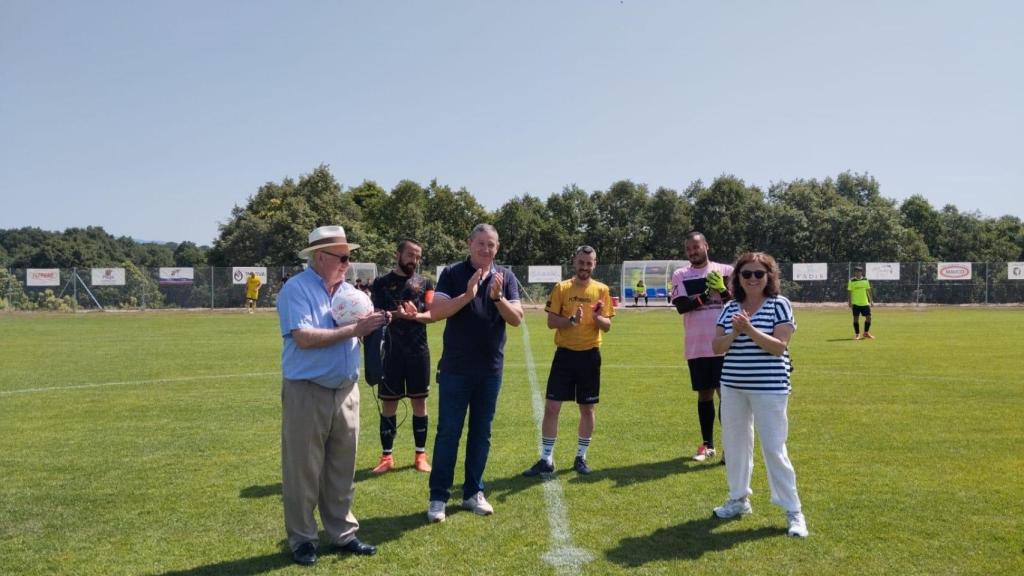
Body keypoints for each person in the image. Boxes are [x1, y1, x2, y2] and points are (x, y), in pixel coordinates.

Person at [276, 225, 388, 565]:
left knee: (342, 467)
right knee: (303, 469)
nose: (348, 263)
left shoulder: (350, 292)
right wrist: (356, 329)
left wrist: (374, 328)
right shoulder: (296, 290)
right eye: (343, 257)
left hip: (346, 391)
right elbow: (304, 338)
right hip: (307, 391)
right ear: (320, 257)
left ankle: (342, 533)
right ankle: (303, 539)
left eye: (349, 257)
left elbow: (358, 333)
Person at [402, 224, 523, 523]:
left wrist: (498, 298)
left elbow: (517, 319)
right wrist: (469, 294)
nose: (485, 249)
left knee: (482, 433)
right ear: (469, 244)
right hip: (456, 369)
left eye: (491, 245)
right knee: (448, 434)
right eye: (480, 243)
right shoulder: (453, 273)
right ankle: (438, 497)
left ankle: (473, 493)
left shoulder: (505, 277)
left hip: (490, 370)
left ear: (497, 247)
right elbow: (438, 312)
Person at [710, 252, 808, 538]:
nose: (753, 279)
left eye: (759, 274)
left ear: (769, 277)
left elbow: (779, 346)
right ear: (737, 278)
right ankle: (738, 499)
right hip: (733, 386)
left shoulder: (780, 305)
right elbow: (717, 347)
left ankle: (793, 511)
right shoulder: (729, 309)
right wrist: (736, 333)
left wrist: (749, 329)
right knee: (736, 444)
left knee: (774, 448)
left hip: (770, 387)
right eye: (746, 274)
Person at [523, 245, 613, 477]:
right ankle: (546, 459)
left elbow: (608, 326)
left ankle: (581, 457)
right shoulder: (561, 288)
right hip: (564, 355)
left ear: (594, 264)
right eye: (581, 262)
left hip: (590, 355)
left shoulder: (602, 289)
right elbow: (551, 321)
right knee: (552, 407)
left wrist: (597, 318)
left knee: (587, 408)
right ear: (575, 262)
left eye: (589, 263)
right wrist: (570, 321)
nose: (584, 267)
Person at [368, 239, 434, 474]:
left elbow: (431, 312)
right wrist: (396, 314)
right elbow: (374, 314)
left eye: (417, 257)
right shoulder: (381, 283)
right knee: (389, 404)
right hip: (391, 353)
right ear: (398, 254)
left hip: (418, 352)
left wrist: (417, 315)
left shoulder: (425, 282)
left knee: (420, 402)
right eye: (410, 255)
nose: (414, 261)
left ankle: (420, 456)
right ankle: (387, 457)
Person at [670, 231, 733, 462]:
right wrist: (707, 295)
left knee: (727, 396)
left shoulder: (727, 271)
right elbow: (682, 306)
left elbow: (737, 304)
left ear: (706, 246)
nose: (692, 252)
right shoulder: (680, 274)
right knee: (704, 395)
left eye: (696, 247)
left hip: (725, 344)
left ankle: (730, 448)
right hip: (697, 345)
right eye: (688, 249)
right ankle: (708, 446)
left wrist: (724, 290)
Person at [848, 266, 874, 340]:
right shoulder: (851, 281)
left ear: (861, 272)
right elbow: (849, 292)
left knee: (869, 318)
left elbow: (868, 290)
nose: (857, 273)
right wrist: (849, 302)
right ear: (854, 272)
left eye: (859, 271)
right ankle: (857, 334)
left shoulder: (865, 280)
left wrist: (871, 301)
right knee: (856, 319)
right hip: (856, 303)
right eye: (856, 271)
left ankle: (866, 333)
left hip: (865, 303)